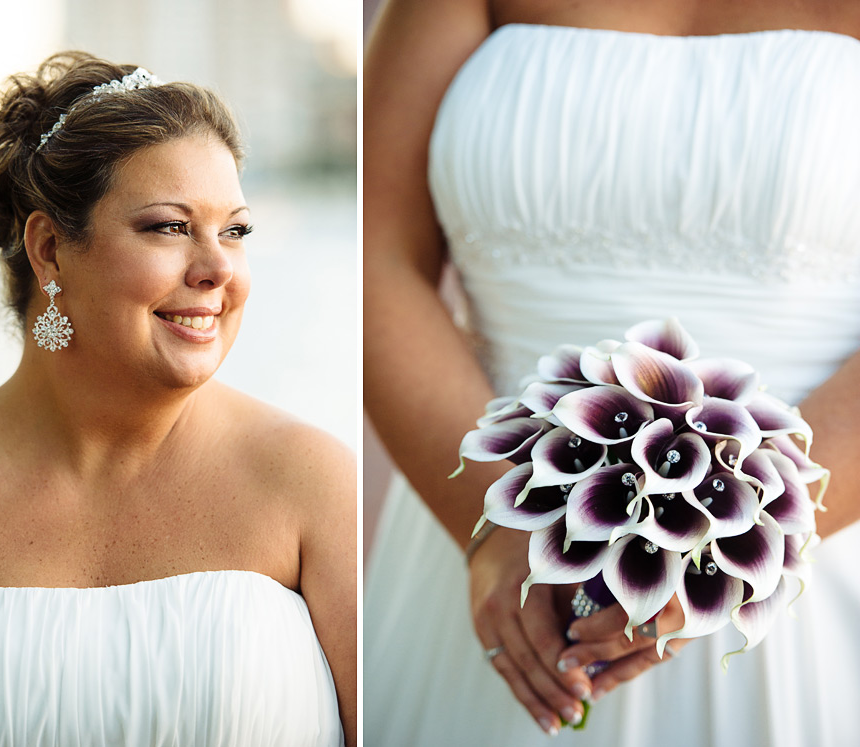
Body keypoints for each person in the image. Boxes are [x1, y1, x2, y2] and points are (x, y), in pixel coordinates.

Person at [363, 1, 860, 745]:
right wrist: (492, 526)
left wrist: (743, 543)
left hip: (818, 529)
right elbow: (377, 252)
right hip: (486, 520)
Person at [0, 51, 356, 746]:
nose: (219, 269)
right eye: (169, 226)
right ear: (50, 249)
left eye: (235, 231)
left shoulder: (314, 484)